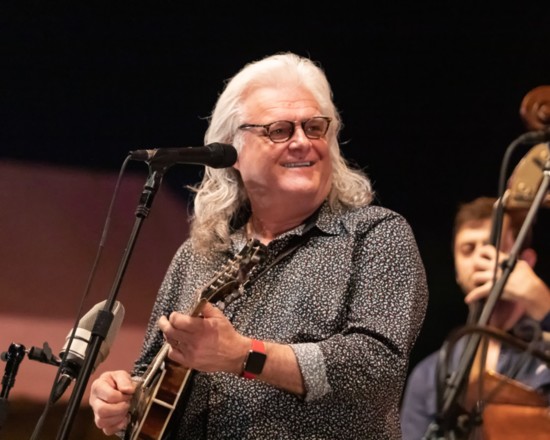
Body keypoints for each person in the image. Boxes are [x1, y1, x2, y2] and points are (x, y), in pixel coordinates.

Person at [89, 51, 428, 439]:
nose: (302, 142)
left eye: (315, 127)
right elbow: (153, 376)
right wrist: (122, 400)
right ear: (231, 151)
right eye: (280, 130)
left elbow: (376, 368)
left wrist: (245, 356)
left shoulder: (375, 236)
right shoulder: (199, 255)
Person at [400, 196, 550, 440]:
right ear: (458, 271)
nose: (481, 259)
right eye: (468, 250)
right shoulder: (430, 374)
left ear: (526, 262)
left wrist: (542, 300)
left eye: (494, 246)